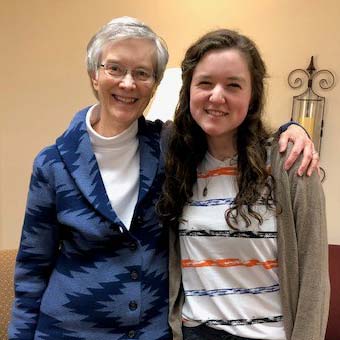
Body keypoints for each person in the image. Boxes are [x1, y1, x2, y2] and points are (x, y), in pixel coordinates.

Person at [8, 17, 317, 340]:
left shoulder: (170, 149)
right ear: (94, 75)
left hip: (152, 332)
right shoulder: (54, 163)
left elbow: (233, 126)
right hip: (68, 332)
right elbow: (31, 270)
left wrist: (292, 129)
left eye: (142, 73)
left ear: (154, 85)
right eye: (114, 68)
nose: (128, 83)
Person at [158, 29, 329, 340]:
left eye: (233, 85)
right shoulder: (176, 160)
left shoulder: (290, 162)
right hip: (194, 332)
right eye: (205, 83)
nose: (216, 96)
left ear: (252, 98)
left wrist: (294, 129)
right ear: (189, 90)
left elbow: (314, 280)